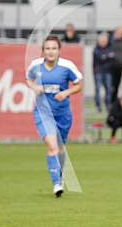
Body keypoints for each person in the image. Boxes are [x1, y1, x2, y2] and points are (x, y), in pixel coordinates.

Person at [25, 35, 83, 197]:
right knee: (52, 146)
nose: (51, 52)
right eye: (48, 49)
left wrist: (66, 92)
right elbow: (28, 79)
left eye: (54, 48)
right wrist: (33, 87)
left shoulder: (67, 66)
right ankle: (56, 183)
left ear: (59, 50)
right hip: (43, 113)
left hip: (63, 114)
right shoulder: (35, 66)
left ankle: (60, 175)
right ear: (43, 51)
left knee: (60, 147)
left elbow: (78, 84)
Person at [93, 33, 115, 112]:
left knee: (108, 89)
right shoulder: (96, 49)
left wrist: (106, 57)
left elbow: (113, 57)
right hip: (99, 72)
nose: (103, 43)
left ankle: (108, 104)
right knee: (98, 90)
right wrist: (108, 57)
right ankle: (98, 106)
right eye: (102, 41)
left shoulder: (109, 48)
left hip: (108, 72)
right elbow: (100, 58)